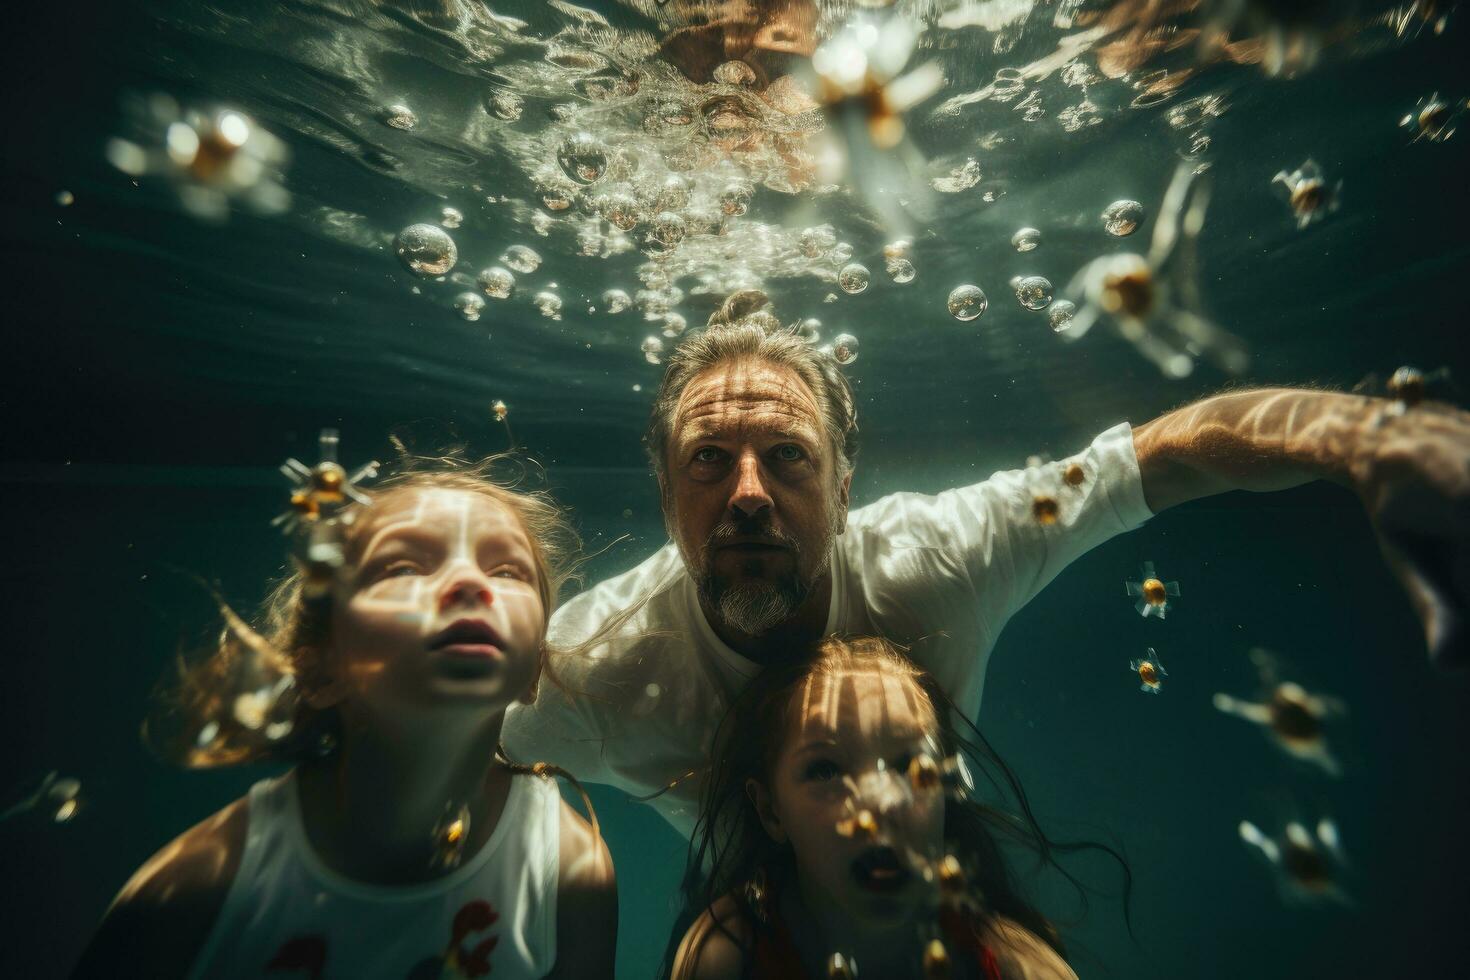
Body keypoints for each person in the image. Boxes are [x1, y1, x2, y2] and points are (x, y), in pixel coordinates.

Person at [503, 290, 1470, 834]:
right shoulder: (593, 666)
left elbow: (1154, 458)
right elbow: (414, 739)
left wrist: (1367, 438)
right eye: (709, 461)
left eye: (788, 456)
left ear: (843, 491)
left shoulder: (937, 555)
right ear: (667, 496)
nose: (748, 492)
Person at [72, 460, 616, 980]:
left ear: (534, 671)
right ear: (320, 670)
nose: (470, 583)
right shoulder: (195, 888)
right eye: (401, 566)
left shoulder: (571, 869)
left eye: (507, 570)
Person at [670, 635, 1091, 980]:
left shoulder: (1020, 966)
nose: (880, 802)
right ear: (770, 812)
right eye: (825, 770)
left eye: (912, 768)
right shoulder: (726, 955)